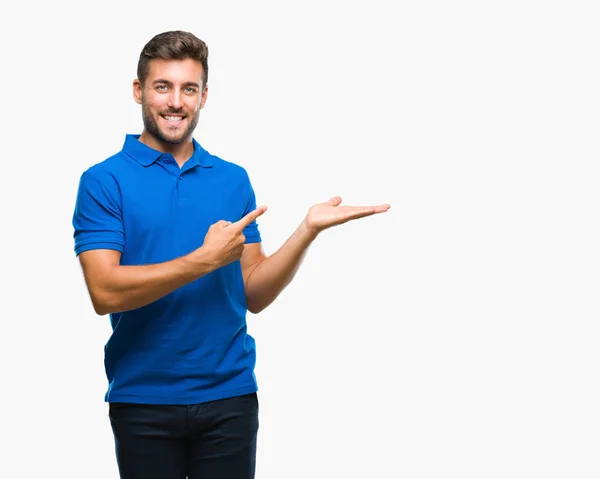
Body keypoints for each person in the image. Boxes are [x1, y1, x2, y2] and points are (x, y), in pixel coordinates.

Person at [72, 30, 390, 479]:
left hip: (230, 398)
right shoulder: (104, 181)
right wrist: (201, 261)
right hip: (143, 400)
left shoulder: (232, 179)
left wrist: (307, 231)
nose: (176, 102)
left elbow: (253, 292)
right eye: (163, 86)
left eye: (189, 88)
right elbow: (104, 291)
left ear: (204, 96)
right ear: (139, 91)